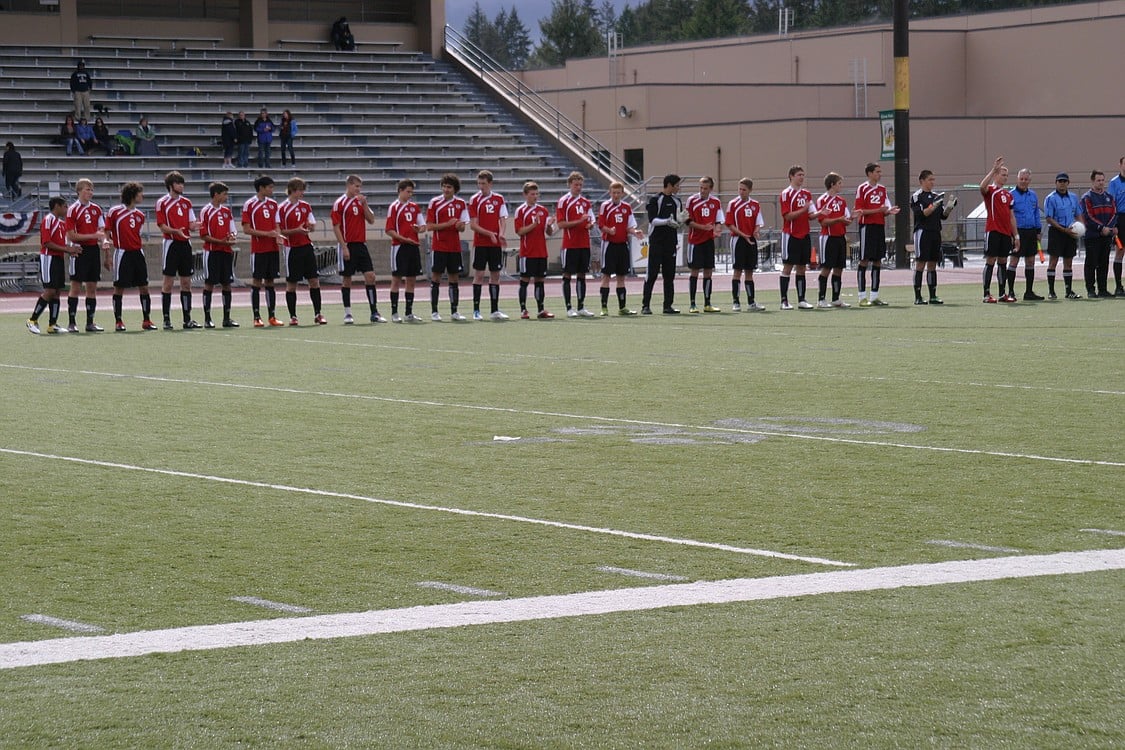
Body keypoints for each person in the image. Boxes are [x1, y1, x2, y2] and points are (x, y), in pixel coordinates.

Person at [331, 174, 385, 324]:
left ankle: (374, 312)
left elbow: (372, 220)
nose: (358, 189)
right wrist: (344, 247)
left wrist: (365, 205)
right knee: (347, 279)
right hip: (347, 244)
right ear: (348, 185)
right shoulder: (340, 203)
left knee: (370, 276)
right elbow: (336, 227)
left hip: (361, 245)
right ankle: (348, 313)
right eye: (356, 186)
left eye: (360, 186)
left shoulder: (360, 202)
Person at [105, 181, 156, 331]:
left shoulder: (140, 215)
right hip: (122, 253)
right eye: (140, 193)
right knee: (119, 287)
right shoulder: (115, 212)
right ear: (133, 194)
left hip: (138, 253)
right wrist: (107, 254)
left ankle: (146, 320)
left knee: (144, 287)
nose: (143, 196)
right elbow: (106, 232)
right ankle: (118, 321)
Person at [27, 197, 81, 335]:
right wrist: (68, 250)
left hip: (58, 258)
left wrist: (71, 250)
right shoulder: (48, 219)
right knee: (50, 290)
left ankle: (52, 324)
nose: (66, 209)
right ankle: (32, 320)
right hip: (48, 257)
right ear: (57, 206)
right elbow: (46, 242)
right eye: (64, 206)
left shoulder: (61, 223)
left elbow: (62, 243)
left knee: (57, 291)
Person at [155, 170, 201, 330]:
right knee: (168, 282)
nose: (181, 186)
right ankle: (166, 319)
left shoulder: (187, 202)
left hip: (185, 244)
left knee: (186, 282)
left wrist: (198, 225)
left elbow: (191, 224)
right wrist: (176, 231)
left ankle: (187, 318)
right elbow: (162, 226)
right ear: (171, 185)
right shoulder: (162, 202)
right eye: (178, 183)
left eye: (182, 183)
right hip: (171, 244)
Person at [278, 177, 325, 325]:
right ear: (292, 190)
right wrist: (296, 230)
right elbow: (280, 232)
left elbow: (312, 224)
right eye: (300, 190)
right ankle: (293, 316)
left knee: (314, 280)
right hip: (292, 248)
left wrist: (310, 227)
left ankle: (318, 313)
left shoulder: (305, 206)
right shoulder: (282, 208)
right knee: (292, 283)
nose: (302, 193)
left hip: (306, 246)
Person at [64, 178, 109, 332]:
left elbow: (102, 231)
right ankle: (71, 322)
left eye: (91, 189)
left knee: (92, 287)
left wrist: (103, 241)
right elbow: (71, 236)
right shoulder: (73, 210)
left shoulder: (97, 209)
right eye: (87, 189)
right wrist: (93, 236)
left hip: (93, 251)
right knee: (76, 286)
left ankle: (90, 322)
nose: (90, 192)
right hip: (79, 250)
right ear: (79, 191)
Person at [424, 172, 470, 321]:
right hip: (439, 246)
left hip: (454, 247)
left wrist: (459, 225)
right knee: (436, 278)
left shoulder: (461, 203)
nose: (446, 189)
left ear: (455, 188)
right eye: (444, 186)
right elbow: (429, 226)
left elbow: (463, 227)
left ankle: (454, 311)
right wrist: (447, 224)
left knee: (454, 279)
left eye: (449, 187)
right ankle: (434, 312)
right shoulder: (435, 202)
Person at [241, 175, 285, 327]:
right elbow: (246, 229)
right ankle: (256, 316)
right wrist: (267, 234)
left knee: (271, 281)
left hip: (272, 248)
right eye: (270, 187)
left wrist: (278, 235)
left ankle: (272, 316)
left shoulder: (273, 204)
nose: (272, 190)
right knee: (257, 281)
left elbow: (277, 224)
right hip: (259, 249)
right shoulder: (250, 205)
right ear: (261, 188)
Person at [468, 169, 511, 320]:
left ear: (490, 184)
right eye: (479, 183)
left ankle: (494, 310)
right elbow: (473, 225)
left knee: (495, 275)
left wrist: (501, 234)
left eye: (484, 184)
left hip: (495, 245)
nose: (481, 186)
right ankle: (476, 310)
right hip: (480, 243)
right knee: (479, 275)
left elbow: (503, 219)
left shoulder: (499, 199)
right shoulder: (474, 200)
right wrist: (490, 234)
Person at [854, 162, 898, 306]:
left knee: (878, 260)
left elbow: (884, 209)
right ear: (870, 173)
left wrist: (888, 211)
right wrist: (878, 210)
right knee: (864, 260)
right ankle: (861, 297)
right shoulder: (862, 188)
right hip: (867, 227)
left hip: (879, 226)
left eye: (880, 171)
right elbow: (859, 211)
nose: (880, 174)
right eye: (877, 172)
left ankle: (874, 296)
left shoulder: (882, 189)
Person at [597, 180, 643, 316]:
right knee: (606, 275)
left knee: (621, 276)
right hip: (609, 244)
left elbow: (630, 226)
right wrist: (608, 230)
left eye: (618, 192)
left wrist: (635, 232)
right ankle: (604, 307)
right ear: (610, 193)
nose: (616, 195)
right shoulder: (605, 206)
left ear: (622, 193)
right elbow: (601, 225)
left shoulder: (627, 207)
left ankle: (622, 307)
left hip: (622, 244)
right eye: (613, 193)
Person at [198, 181, 240, 328]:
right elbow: (203, 235)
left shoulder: (227, 212)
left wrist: (232, 237)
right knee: (209, 284)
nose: (226, 197)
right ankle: (207, 318)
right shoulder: (206, 211)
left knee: (227, 284)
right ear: (216, 195)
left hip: (226, 252)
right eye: (224, 194)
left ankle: (226, 318)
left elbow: (233, 229)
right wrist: (221, 241)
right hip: (212, 252)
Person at [909, 170, 954, 305]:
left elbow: (942, 216)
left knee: (933, 264)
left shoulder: (936, 196)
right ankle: (918, 296)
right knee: (921, 263)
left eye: (933, 180)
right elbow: (922, 214)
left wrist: (949, 207)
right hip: (923, 232)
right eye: (930, 179)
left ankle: (933, 295)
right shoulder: (917, 196)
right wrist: (934, 205)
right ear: (922, 181)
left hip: (935, 232)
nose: (932, 182)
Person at [555, 171, 596, 318]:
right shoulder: (563, 201)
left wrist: (590, 225)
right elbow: (560, 224)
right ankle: (568, 307)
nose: (578, 187)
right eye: (576, 184)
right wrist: (579, 221)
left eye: (580, 184)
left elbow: (591, 220)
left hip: (584, 243)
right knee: (567, 274)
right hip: (570, 244)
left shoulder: (585, 202)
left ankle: (581, 306)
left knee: (582, 275)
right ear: (569, 184)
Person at [385, 178, 426, 323]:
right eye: (408, 192)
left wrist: (419, 229)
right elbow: (389, 230)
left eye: (411, 192)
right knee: (396, 279)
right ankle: (394, 312)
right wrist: (403, 238)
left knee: (412, 279)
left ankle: (409, 313)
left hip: (413, 246)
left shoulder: (415, 207)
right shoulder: (394, 207)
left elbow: (423, 226)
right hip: (399, 246)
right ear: (400, 191)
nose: (410, 195)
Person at [979, 156, 1019, 303]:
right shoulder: (991, 191)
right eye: (1003, 174)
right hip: (993, 230)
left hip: (1005, 233)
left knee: (1003, 261)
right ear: (996, 175)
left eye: (1007, 175)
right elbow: (981, 187)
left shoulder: (1009, 195)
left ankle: (1003, 293)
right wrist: (993, 170)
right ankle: (986, 293)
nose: (1005, 178)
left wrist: (1016, 236)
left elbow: (1011, 217)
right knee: (991, 260)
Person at [513, 180, 555, 319]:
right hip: (527, 252)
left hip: (541, 251)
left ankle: (541, 309)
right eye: (532, 194)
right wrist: (533, 224)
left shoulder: (543, 210)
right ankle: (523, 310)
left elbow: (549, 232)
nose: (535, 196)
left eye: (537, 194)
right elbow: (519, 231)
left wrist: (549, 226)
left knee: (540, 281)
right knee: (524, 280)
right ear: (525, 195)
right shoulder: (521, 211)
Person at [642, 173, 683, 314]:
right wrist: (667, 221)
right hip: (656, 242)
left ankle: (668, 306)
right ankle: (645, 305)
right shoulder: (655, 199)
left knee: (669, 275)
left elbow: (678, 220)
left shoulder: (677, 201)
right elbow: (652, 220)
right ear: (670, 185)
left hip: (670, 242)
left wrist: (681, 221)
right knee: (652, 273)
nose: (679, 188)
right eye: (677, 185)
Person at [779, 164, 817, 310]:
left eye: (803, 175)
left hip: (804, 234)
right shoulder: (786, 194)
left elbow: (811, 215)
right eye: (799, 175)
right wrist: (804, 210)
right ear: (791, 176)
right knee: (788, 267)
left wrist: (820, 213)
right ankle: (784, 301)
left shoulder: (807, 194)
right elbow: (788, 216)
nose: (802, 177)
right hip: (791, 235)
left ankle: (802, 299)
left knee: (802, 268)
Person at [684, 175, 724, 313]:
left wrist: (717, 229)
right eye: (700, 188)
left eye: (705, 188)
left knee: (708, 271)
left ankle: (707, 303)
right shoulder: (691, 200)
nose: (702, 191)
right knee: (694, 271)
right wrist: (702, 227)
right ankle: (692, 303)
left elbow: (719, 220)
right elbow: (686, 220)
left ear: (711, 189)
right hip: (695, 241)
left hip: (708, 241)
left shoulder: (716, 202)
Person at [725, 177, 766, 312]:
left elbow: (758, 222)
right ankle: (736, 302)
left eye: (744, 189)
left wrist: (756, 231)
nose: (741, 192)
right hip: (738, 240)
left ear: (750, 190)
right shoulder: (733, 204)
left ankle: (751, 302)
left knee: (749, 271)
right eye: (740, 189)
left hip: (751, 240)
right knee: (737, 271)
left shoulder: (755, 204)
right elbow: (730, 224)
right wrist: (743, 235)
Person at [814, 172, 852, 308]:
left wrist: (852, 217)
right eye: (839, 183)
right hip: (828, 238)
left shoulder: (842, 201)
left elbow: (846, 220)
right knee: (826, 267)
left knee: (839, 268)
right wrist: (838, 219)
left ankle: (836, 298)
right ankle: (821, 299)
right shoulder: (822, 200)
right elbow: (823, 222)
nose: (841, 186)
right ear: (832, 184)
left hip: (840, 237)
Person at [1043, 173, 1082, 299]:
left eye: (1064, 181)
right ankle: (1051, 291)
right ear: (1056, 183)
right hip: (1057, 232)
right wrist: (1063, 229)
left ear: (1068, 183)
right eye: (1060, 181)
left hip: (1070, 232)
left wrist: (1080, 228)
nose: (1062, 183)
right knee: (1053, 261)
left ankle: (1068, 291)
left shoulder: (1073, 197)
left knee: (1068, 262)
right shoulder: (1051, 198)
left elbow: (1078, 214)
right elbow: (1049, 218)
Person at [1080, 169, 1118, 299]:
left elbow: (1114, 213)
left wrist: (1111, 227)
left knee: (1104, 263)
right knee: (1091, 263)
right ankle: (1091, 289)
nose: (1101, 183)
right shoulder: (1087, 198)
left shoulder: (1109, 197)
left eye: (1102, 180)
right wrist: (1101, 228)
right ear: (1092, 181)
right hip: (1092, 236)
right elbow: (1088, 216)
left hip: (1106, 237)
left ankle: (1103, 289)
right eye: (1098, 180)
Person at [1008, 168, 1043, 300]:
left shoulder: (1033, 195)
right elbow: (1008, 216)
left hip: (1031, 232)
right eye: (1021, 179)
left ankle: (1029, 292)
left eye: (1026, 179)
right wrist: (1012, 234)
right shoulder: (1011, 195)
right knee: (1014, 261)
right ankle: (1010, 292)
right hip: (1017, 232)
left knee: (1030, 261)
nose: (1023, 181)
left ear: (1030, 180)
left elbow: (1036, 214)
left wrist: (1038, 231)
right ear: (1017, 179)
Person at [1106, 156, 1125, 296]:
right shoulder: (1114, 183)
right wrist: (1114, 224)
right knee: (1120, 251)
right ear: (1120, 165)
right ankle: (1119, 286)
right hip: (1121, 220)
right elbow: (1111, 205)